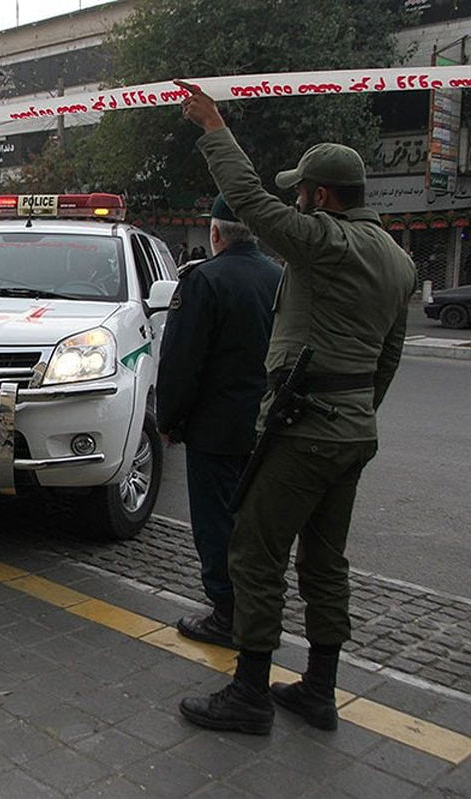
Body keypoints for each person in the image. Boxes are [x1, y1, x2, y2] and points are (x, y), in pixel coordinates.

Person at [176, 81, 416, 735]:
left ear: (322, 195)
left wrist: (214, 127)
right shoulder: (398, 260)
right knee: (324, 561)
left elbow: (250, 202)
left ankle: (250, 691)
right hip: (352, 430)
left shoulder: (325, 241)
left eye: (303, 191)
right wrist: (357, 414)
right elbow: (389, 357)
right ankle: (319, 686)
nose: (296, 199)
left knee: (254, 550)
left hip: (305, 426)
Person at [156, 195, 282, 649]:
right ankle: (254, 608)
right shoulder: (281, 278)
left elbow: (180, 361)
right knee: (256, 525)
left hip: (216, 429)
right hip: (268, 428)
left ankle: (227, 613)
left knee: (215, 522)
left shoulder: (204, 279)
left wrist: (168, 420)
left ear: (214, 234)